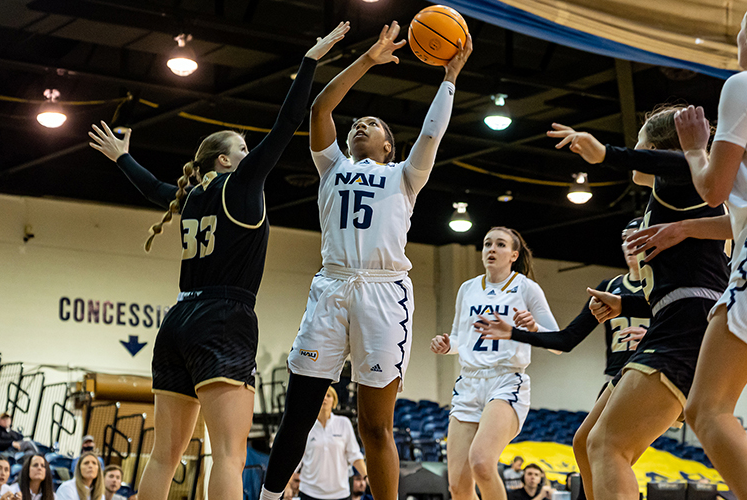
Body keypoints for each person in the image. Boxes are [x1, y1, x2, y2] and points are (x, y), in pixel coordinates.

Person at [88, 23, 350, 500]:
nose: (251, 154)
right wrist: (309, 61)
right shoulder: (242, 185)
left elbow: (154, 188)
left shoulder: (189, 198)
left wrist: (123, 158)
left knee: (163, 456)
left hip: (177, 320)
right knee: (228, 455)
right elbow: (286, 125)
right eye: (243, 150)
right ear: (225, 162)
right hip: (224, 318)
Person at [258, 21, 472, 500]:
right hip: (332, 286)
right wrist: (369, 60)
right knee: (298, 412)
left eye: (372, 124)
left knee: (375, 425)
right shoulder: (331, 164)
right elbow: (320, 107)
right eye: (358, 122)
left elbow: (432, 133)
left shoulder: (405, 175)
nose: (360, 124)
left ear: (388, 146)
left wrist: (449, 78)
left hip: (382, 291)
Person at [542, 106, 728, 500]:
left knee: (608, 445)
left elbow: (679, 161)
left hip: (687, 326)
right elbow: (681, 286)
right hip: (674, 318)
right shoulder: (677, 196)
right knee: (586, 442)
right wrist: (624, 305)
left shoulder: (684, 181)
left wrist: (606, 153)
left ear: (655, 150)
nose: (636, 149)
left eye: (640, 143)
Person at [671, 11, 747, 499]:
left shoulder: (742, 86)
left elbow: (715, 190)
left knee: (707, 409)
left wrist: (695, 149)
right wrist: (681, 229)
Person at [431, 226, 558, 500]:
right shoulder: (467, 288)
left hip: (506, 380)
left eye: (500, 244)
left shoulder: (526, 288)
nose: (491, 249)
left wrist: (534, 328)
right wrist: (448, 345)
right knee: (458, 486)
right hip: (468, 382)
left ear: (514, 255)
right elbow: (459, 338)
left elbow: (558, 343)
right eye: (488, 243)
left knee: (482, 463)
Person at [485, 218, 649, 392]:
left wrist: (654, 337)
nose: (629, 245)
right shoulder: (609, 288)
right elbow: (567, 340)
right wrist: (516, 332)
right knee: (597, 411)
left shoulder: (663, 287)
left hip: (653, 370)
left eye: (636, 238)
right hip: (616, 376)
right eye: (625, 239)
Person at [296, 387, 367, 500]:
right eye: (321, 395)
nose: (324, 398)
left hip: (340, 494)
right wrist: (286, 485)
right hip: (309, 492)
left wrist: (367, 477)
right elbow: (296, 459)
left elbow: (354, 455)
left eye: (328, 395)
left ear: (334, 401)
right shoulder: (305, 426)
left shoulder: (344, 423)